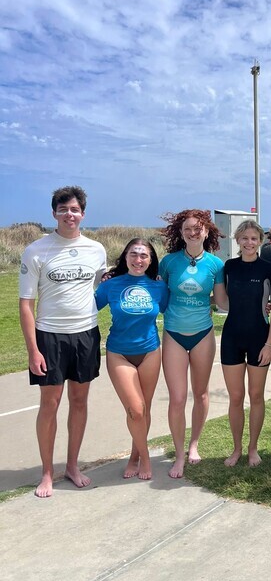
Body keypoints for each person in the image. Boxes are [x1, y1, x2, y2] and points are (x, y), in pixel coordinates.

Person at [19, 186, 106, 498]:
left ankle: (72, 465)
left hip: (86, 334)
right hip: (49, 337)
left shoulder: (96, 250)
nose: (70, 214)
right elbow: (26, 304)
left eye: (75, 209)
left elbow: (98, 287)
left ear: (83, 213)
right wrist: (33, 349)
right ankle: (46, 472)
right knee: (50, 404)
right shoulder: (36, 251)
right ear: (54, 213)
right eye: (63, 209)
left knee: (80, 402)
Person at [159, 209, 227, 479]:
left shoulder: (215, 265)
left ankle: (194, 445)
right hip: (174, 333)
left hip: (203, 334)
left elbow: (221, 302)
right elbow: (158, 295)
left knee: (200, 394)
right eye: (187, 228)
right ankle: (178, 455)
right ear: (180, 232)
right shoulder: (168, 263)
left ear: (207, 232)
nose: (193, 232)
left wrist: (259, 305)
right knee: (177, 398)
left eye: (198, 228)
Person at [95, 239, 168, 480]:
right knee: (135, 410)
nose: (138, 260)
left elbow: (173, 309)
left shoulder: (158, 287)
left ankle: (134, 457)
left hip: (149, 352)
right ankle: (145, 460)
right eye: (134, 254)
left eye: (144, 256)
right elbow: (86, 309)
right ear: (125, 256)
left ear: (150, 260)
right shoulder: (111, 286)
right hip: (119, 353)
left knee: (144, 409)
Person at [220, 221, 271, 467]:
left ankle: (253, 448)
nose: (249, 242)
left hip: (259, 337)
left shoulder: (270, 270)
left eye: (254, 238)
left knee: (256, 396)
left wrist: (269, 344)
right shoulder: (229, 267)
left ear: (261, 240)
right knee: (236, 397)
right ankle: (236, 449)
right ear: (237, 240)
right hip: (231, 337)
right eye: (244, 238)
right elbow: (223, 302)